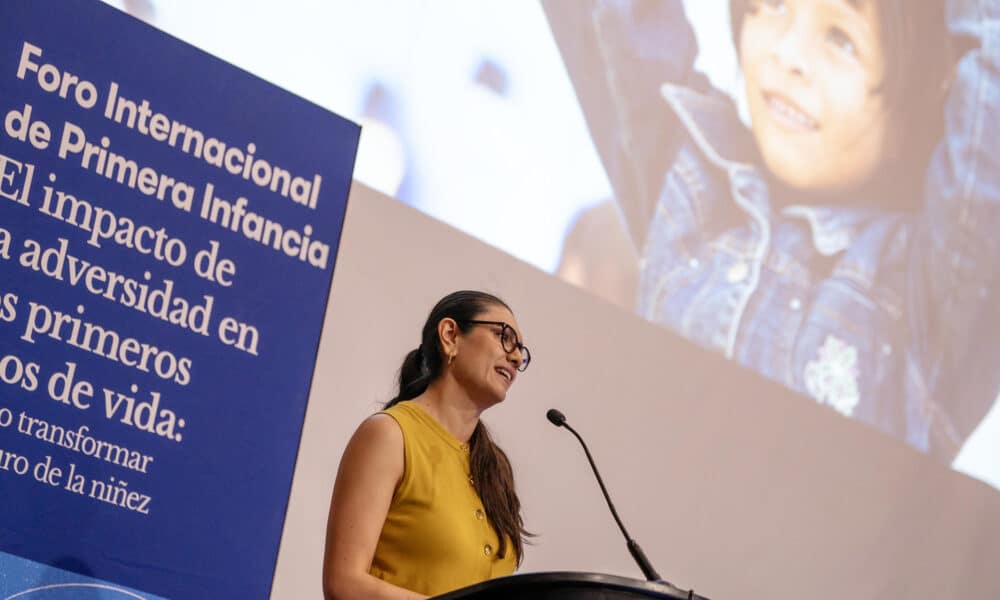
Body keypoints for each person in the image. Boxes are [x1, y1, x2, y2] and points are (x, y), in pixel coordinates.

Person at [544, 0, 1000, 461]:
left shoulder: (935, 293)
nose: (788, 54)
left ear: (928, 85)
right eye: (775, 5)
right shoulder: (689, 185)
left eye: (841, 39)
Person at [322, 290, 532, 599]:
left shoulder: (494, 467)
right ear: (450, 336)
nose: (516, 357)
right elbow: (344, 584)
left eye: (521, 350)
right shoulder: (390, 436)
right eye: (504, 337)